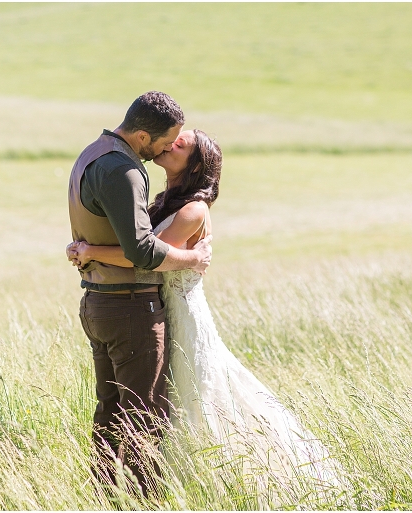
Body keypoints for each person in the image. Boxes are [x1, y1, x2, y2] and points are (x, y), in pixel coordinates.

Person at [68, 128, 340, 492]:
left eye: (183, 143)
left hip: (180, 315)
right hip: (158, 310)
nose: (172, 142)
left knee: (192, 405)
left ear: (196, 166)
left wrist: (91, 251)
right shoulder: (165, 201)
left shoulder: (193, 210)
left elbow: (146, 260)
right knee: (155, 406)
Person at [66, 92, 212, 498]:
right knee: (146, 416)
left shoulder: (92, 154)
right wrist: (189, 258)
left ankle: (106, 498)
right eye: (167, 141)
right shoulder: (124, 169)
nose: (168, 148)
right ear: (144, 135)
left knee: (111, 411)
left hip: (100, 301)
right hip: (130, 307)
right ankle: (143, 502)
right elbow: (143, 252)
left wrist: (89, 251)